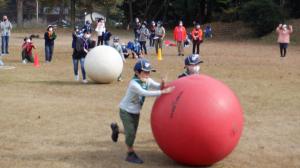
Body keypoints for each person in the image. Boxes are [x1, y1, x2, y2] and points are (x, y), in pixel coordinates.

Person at [110, 58, 175, 164]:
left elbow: (158, 86)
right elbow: (145, 93)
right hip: (126, 111)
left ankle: (116, 130)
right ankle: (130, 154)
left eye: (149, 72)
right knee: (131, 133)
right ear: (137, 72)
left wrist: (163, 83)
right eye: (145, 72)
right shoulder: (133, 84)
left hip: (136, 112)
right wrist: (163, 91)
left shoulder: (147, 80)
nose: (147, 74)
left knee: (131, 132)